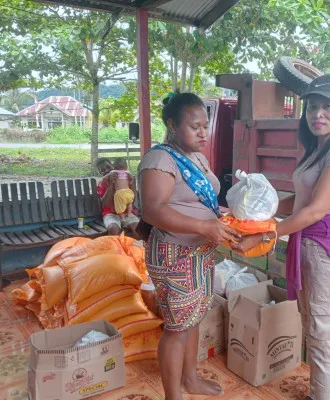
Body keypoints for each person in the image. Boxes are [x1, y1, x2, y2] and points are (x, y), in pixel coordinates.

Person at [233, 75, 330, 400]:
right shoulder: (318, 150)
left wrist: (266, 234)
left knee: (323, 341)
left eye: (327, 107)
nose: (317, 114)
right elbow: (298, 200)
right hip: (308, 249)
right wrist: (257, 212)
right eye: (312, 107)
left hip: (328, 254)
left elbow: (316, 210)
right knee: (313, 331)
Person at [138, 92, 240, 400]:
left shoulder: (197, 157)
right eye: (194, 126)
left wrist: (227, 220)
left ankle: (190, 380)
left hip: (200, 253)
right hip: (175, 255)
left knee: (194, 318)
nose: (203, 133)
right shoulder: (160, 159)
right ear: (172, 125)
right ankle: (174, 395)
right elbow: (153, 210)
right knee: (177, 327)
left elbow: (202, 202)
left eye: (205, 126)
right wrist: (204, 226)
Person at [96, 157, 139, 237]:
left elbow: (132, 200)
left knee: (138, 229)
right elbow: (105, 204)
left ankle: (132, 248)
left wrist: (131, 183)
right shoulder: (102, 183)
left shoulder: (125, 178)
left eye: (108, 167)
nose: (106, 170)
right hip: (110, 214)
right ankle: (117, 249)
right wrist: (111, 184)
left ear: (113, 167)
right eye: (102, 170)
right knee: (113, 229)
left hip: (127, 212)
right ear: (100, 173)